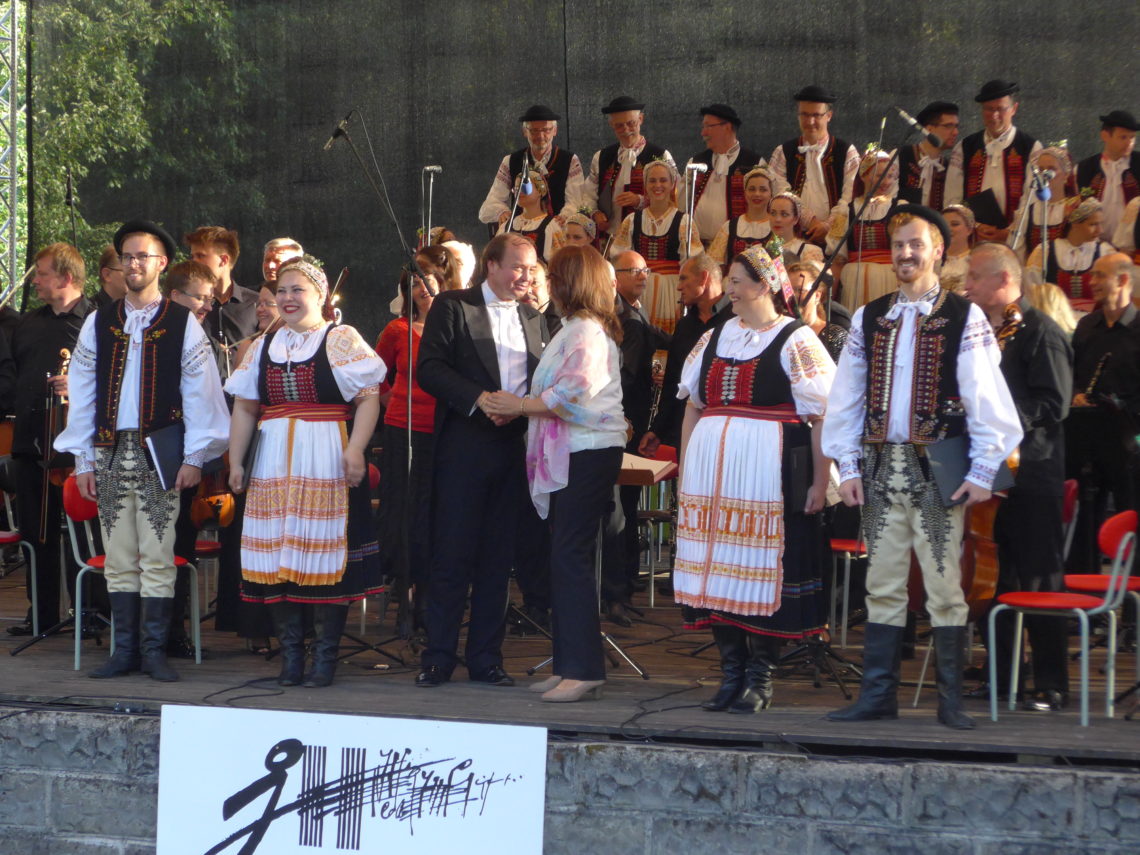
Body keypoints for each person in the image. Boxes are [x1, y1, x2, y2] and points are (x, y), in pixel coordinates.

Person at [822, 205, 1022, 729]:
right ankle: (878, 696)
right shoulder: (871, 315)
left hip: (938, 470)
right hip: (881, 466)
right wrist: (845, 466)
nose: (906, 253)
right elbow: (846, 398)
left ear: (938, 250)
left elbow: (985, 395)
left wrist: (983, 470)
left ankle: (950, 700)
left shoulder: (964, 315)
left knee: (943, 584)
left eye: (917, 244)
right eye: (899, 244)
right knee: (882, 583)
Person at [54, 219, 230, 682]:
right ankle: (124, 650)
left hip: (160, 452)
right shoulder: (100, 320)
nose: (133, 263)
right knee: (118, 555)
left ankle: (153, 652)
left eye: (142, 256)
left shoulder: (182, 324)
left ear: (161, 264)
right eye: (126, 256)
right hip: (110, 451)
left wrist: (195, 457)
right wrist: (84, 459)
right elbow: (85, 389)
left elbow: (202, 394)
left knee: (157, 551)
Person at [674, 243, 835, 713]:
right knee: (717, 569)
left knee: (762, 569)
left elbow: (823, 413)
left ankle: (761, 675)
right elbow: (693, 406)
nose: (729, 290)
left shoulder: (796, 339)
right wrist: (687, 473)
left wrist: (821, 484)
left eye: (738, 282)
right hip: (712, 477)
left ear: (764, 285)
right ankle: (731, 672)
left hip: (768, 473)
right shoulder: (714, 337)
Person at [225, 256, 385, 688]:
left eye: (298, 289)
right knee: (278, 556)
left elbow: (368, 397)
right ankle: (291, 657)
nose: (288, 298)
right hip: (274, 458)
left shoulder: (340, 338)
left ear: (321, 295)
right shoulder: (262, 346)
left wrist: (355, 450)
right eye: (282, 290)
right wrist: (235, 461)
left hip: (325, 453)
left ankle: (324, 659)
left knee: (324, 553)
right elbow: (244, 406)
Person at [483, 245, 627, 703]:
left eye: (550, 275)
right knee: (562, 556)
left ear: (568, 282)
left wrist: (519, 405)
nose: (541, 282)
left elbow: (571, 395)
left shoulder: (586, 332)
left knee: (570, 556)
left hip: (587, 452)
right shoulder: (573, 329)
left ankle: (584, 668)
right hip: (573, 451)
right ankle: (569, 663)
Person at [414, 233, 550, 688]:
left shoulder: (535, 318)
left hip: (514, 448)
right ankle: (437, 656)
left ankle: (486, 659)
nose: (525, 277)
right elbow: (430, 368)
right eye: (518, 267)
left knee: (498, 558)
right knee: (452, 554)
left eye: (531, 269)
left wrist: (522, 406)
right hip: (464, 444)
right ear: (491, 264)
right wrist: (479, 399)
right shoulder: (454, 306)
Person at [962, 242, 1073, 711]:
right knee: (994, 579)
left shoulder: (1040, 333)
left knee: (1039, 577)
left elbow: (1054, 403)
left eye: (973, 277)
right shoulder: (983, 334)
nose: (965, 286)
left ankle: (1051, 682)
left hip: (1031, 475)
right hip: (993, 475)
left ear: (1004, 282)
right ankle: (1001, 676)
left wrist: (997, 418)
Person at [7, 243, 94, 638]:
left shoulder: (96, 320)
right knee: (35, 531)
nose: (36, 282)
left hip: (78, 451)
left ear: (66, 277)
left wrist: (75, 387)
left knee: (82, 531)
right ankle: (40, 614)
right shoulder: (27, 323)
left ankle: (88, 612)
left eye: (41, 274)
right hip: (31, 443)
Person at [1066, 253, 1140, 572]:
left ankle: (1132, 609)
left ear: (1123, 280)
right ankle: (1086, 600)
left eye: (1100, 276)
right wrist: (1075, 395)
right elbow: (1069, 374)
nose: (1091, 282)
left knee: (1130, 516)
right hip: (1087, 437)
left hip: (1128, 442)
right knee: (1084, 516)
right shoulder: (1086, 326)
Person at [375, 265, 438, 639]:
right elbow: (373, 373)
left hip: (443, 432)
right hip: (403, 429)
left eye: (430, 282)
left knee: (434, 512)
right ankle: (404, 594)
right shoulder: (397, 331)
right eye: (415, 284)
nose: (424, 288)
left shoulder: (452, 329)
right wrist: (389, 402)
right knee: (402, 510)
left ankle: (430, 596)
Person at [640, 252, 732, 455]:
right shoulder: (684, 326)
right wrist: (658, 429)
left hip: (728, 429)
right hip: (689, 430)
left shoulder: (737, 319)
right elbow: (673, 381)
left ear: (704, 278)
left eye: (683, 278)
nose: (678, 286)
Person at [609, 159, 703, 334]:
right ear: (645, 185)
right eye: (652, 180)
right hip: (639, 288)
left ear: (672, 183)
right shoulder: (632, 220)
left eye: (663, 180)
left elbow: (693, 261)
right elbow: (618, 257)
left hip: (671, 291)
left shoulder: (684, 222)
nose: (657, 185)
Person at [945, 79, 1042, 242]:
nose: (994, 115)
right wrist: (973, 226)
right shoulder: (966, 146)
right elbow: (952, 195)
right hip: (972, 238)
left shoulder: (1031, 147)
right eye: (989, 109)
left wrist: (1011, 232)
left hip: (1013, 241)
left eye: (1000, 109)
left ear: (1014, 109)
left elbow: (1031, 198)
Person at [769, 85, 860, 245]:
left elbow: (851, 196)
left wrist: (827, 226)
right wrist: (811, 222)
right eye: (804, 114)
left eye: (816, 115)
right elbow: (781, 193)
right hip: (792, 240)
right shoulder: (783, 152)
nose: (810, 122)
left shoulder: (847, 151)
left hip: (836, 241)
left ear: (829, 116)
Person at [582, 95, 675, 243]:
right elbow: (588, 194)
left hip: (647, 236)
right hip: (609, 237)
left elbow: (674, 197)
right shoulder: (601, 157)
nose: (625, 129)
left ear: (641, 120)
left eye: (631, 123)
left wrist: (639, 200)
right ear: (612, 124)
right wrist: (595, 213)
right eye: (619, 125)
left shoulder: (661, 155)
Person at [478, 104, 584, 228]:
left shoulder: (570, 160)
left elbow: (576, 201)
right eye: (534, 131)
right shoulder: (511, 161)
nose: (540, 136)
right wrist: (502, 212)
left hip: (558, 233)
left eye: (546, 130)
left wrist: (563, 218)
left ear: (555, 131)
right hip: (521, 234)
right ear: (525, 132)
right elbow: (492, 201)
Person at [682, 103, 766, 244]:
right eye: (704, 127)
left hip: (737, 247)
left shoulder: (755, 163)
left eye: (708, 126)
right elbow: (682, 205)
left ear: (727, 127)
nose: (703, 133)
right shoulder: (695, 162)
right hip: (697, 247)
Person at [829, 149, 898, 311]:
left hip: (890, 281)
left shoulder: (899, 208)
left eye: (890, 176)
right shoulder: (845, 211)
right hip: (855, 284)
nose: (886, 181)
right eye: (879, 175)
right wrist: (831, 295)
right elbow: (837, 259)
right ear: (864, 175)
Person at [185, 226, 258, 373]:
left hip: (242, 392)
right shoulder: (185, 302)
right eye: (192, 256)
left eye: (200, 256)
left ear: (223, 260)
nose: (194, 262)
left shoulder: (256, 303)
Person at [1026, 197, 1115, 309]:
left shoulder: (1105, 252)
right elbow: (1033, 291)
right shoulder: (1045, 251)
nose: (1100, 230)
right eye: (1093, 224)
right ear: (1075, 224)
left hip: (1094, 322)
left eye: (1100, 224)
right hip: (1056, 319)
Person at [1075, 110, 1139, 240]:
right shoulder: (1084, 169)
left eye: (1132, 137)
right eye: (1123, 137)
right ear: (1105, 136)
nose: (1129, 143)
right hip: (1094, 247)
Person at [1009, 147, 1074, 259]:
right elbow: (1016, 251)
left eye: (1051, 169)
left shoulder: (1075, 208)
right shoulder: (1028, 212)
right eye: (1041, 169)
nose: (1045, 174)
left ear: (1066, 174)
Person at [896, 101, 959, 209]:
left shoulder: (949, 167)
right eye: (948, 126)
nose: (955, 132)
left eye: (956, 126)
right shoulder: (901, 156)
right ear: (929, 129)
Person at [708, 166, 774, 268]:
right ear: (745, 192)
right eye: (752, 189)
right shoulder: (729, 227)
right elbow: (713, 264)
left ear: (771, 194)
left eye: (763, 190)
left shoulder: (776, 227)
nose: (757, 194)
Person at [498, 170, 565, 263]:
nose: (519, 191)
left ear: (540, 190)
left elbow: (559, 265)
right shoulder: (507, 226)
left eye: (525, 187)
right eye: (516, 188)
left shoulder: (551, 227)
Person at [787, 259, 847, 361]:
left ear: (817, 296)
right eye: (789, 290)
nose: (794, 296)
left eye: (800, 290)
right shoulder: (780, 331)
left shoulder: (834, 335)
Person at [768, 191, 825, 266]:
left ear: (795, 219)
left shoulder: (809, 251)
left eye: (784, 214)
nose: (777, 219)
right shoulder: (761, 249)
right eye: (773, 213)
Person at [940, 203, 977, 291]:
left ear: (969, 229)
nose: (948, 229)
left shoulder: (976, 261)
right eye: (944, 225)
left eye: (955, 224)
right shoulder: (932, 259)